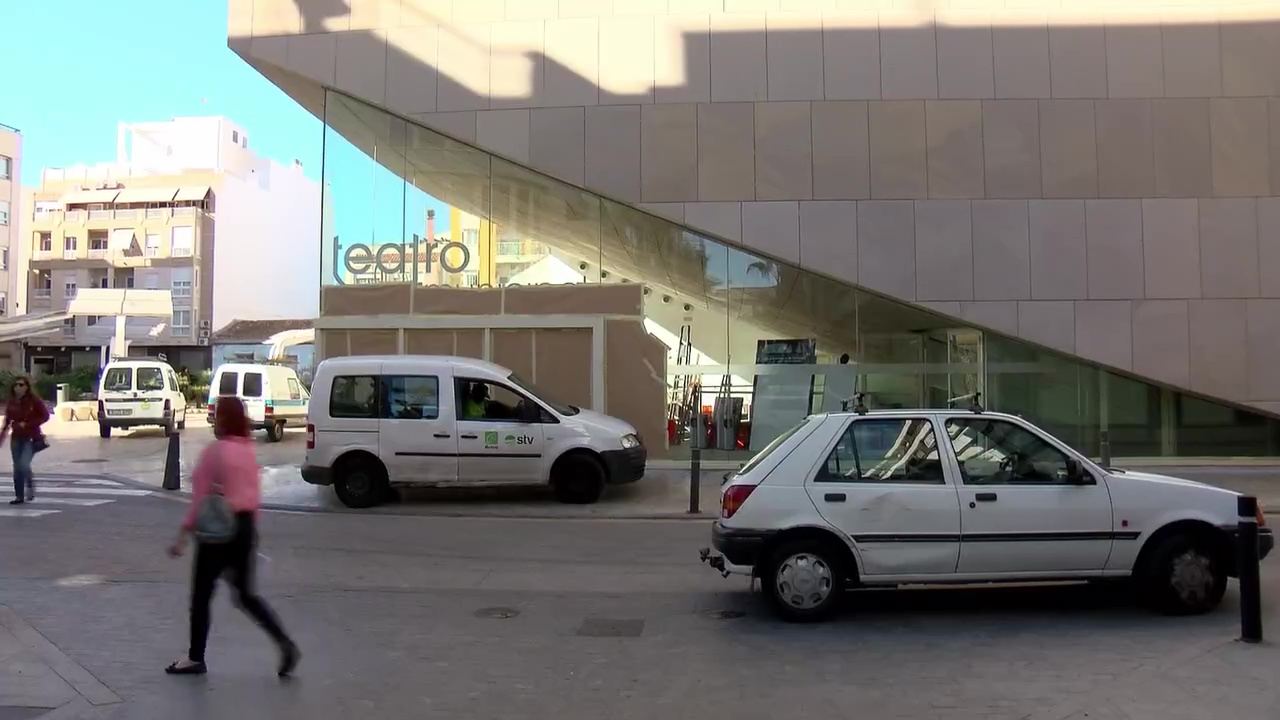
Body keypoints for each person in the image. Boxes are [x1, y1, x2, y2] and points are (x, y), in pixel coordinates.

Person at [165, 396, 299, 677]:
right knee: (247, 595)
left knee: (201, 596)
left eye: (216, 416)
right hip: (245, 528)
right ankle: (285, 642)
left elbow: (200, 499)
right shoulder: (248, 451)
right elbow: (253, 496)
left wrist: (182, 536)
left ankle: (195, 658)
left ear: (222, 420)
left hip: (217, 532)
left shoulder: (216, 452)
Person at [1, 375, 50, 505]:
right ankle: (19, 496)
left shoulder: (34, 401)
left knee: (22, 464)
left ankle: (29, 485)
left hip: (31, 437)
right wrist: (2, 436)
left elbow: (45, 416)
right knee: (18, 467)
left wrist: (29, 424)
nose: (18, 387)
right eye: (16, 385)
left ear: (27, 387)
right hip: (16, 437)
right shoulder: (12, 402)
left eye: (22, 385)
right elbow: (7, 421)